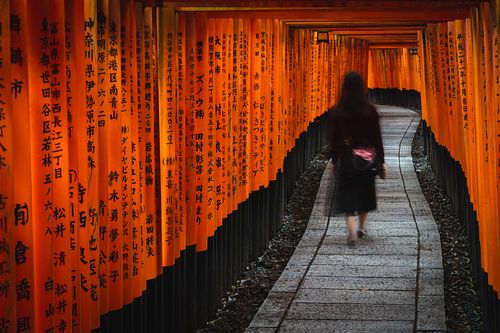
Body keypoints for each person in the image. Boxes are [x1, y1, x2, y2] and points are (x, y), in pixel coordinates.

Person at [328, 72, 387, 245]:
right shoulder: (370, 111)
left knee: (347, 194)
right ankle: (361, 228)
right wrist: (381, 160)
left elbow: (334, 139)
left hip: (346, 159)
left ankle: (351, 232)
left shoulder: (338, 112)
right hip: (366, 160)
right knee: (365, 192)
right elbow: (377, 138)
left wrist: (333, 160)